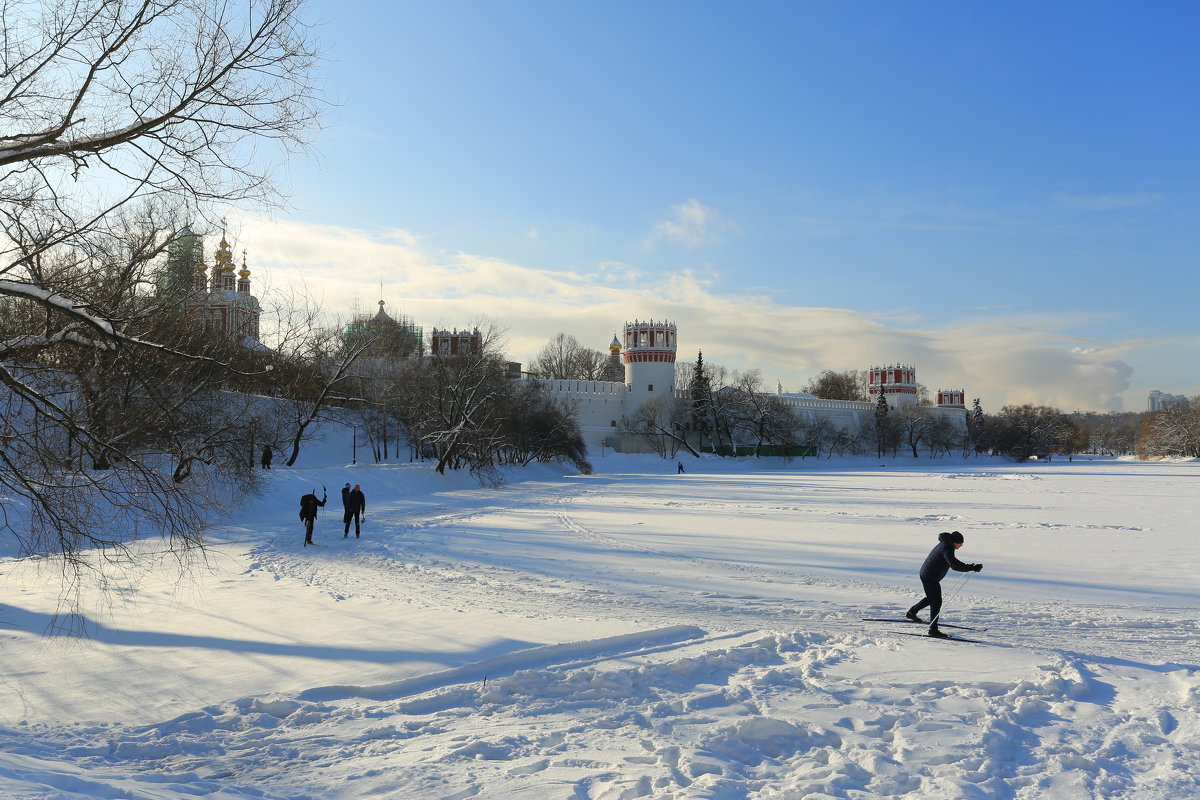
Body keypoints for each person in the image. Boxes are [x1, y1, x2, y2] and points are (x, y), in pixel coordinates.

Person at [906, 531, 982, 638]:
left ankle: (911, 612)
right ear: (955, 542)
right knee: (936, 601)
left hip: (930, 575)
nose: (961, 545)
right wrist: (971, 567)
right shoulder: (947, 547)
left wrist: (970, 567)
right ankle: (933, 629)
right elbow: (954, 565)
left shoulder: (947, 544)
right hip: (929, 577)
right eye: (960, 543)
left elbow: (953, 562)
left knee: (932, 598)